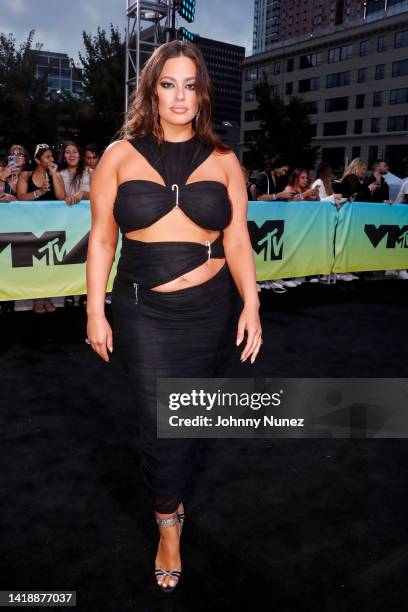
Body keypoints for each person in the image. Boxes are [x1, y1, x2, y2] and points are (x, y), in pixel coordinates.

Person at [86, 40, 262, 593]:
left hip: (211, 311)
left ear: (202, 91)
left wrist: (252, 303)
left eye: (189, 84)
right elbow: (101, 242)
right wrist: (95, 310)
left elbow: (237, 240)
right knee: (161, 426)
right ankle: (168, 527)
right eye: (168, 84)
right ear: (152, 91)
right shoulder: (119, 155)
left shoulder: (227, 161)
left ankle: (173, 501)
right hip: (144, 312)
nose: (180, 95)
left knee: (189, 420)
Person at [17, 144, 66, 313]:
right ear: (37, 160)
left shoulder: (55, 174)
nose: (51, 159)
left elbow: (61, 197)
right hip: (31, 226)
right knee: (35, 264)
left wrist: (54, 175)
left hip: (51, 226)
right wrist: (41, 192)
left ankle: (48, 297)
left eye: (52, 156)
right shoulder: (26, 174)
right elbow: (21, 198)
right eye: (47, 157)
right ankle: (37, 298)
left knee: (50, 263)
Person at [59, 141, 92, 205]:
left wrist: (83, 193)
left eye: (75, 152)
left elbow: (98, 195)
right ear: (64, 157)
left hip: (87, 211)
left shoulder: (90, 172)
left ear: (79, 155)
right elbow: (60, 198)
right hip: (68, 212)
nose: (72, 155)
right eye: (68, 152)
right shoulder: (60, 174)